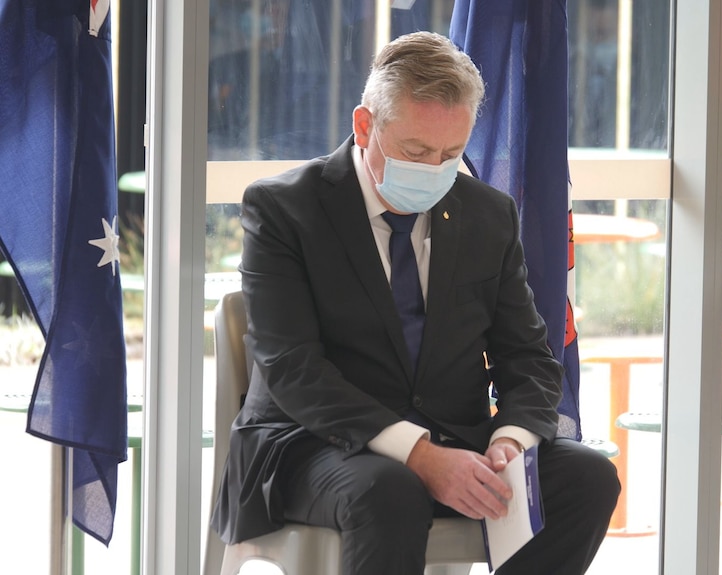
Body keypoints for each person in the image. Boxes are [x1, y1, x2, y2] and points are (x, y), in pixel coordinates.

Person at [211, 31, 620, 575]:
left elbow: (529, 358)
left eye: (451, 154)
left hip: (459, 439)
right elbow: (293, 369)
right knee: (391, 489)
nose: (434, 169)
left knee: (587, 477)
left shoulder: (487, 214)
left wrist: (508, 441)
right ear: (365, 125)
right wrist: (419, 454)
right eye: (416, 151)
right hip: (311, 445)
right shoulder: (285, 208)